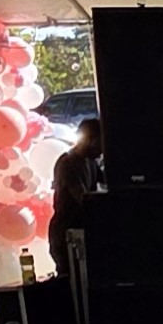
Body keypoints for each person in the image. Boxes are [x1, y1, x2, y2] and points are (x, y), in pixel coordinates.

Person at [48, 114, 103, 274]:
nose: (102, 149)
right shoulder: (69, 164)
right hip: (66, 233)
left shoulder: (91, 163)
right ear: (89, 139)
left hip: (79, 231)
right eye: (100, 143)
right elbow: (83, 199)